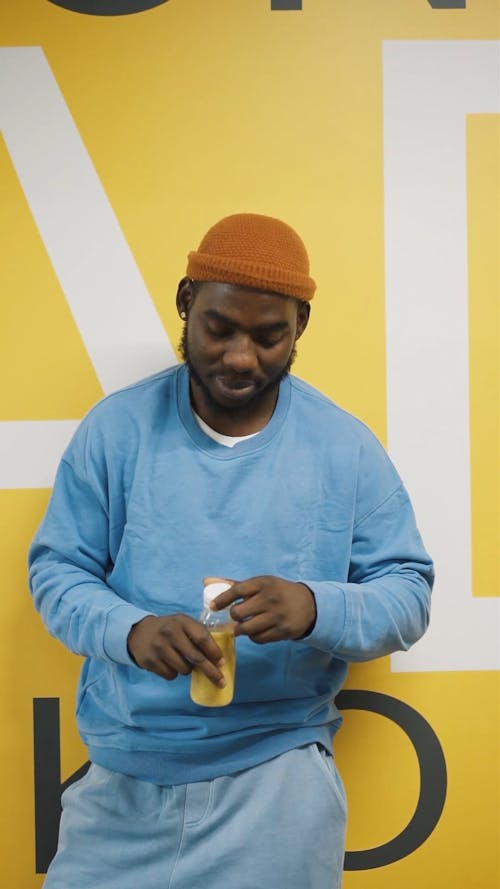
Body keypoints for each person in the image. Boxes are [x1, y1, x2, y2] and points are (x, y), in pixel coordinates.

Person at [28, 212, 433, 889]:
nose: (241, 357)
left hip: (278, 784)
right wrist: (130, 631)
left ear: (300, 325)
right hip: (125, 783)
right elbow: (57, 570)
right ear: (186, 303)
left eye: (269, 335)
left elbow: (409, 594)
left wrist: (313, 606)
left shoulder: (344, 447)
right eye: (219, 328)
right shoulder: (117, 430)